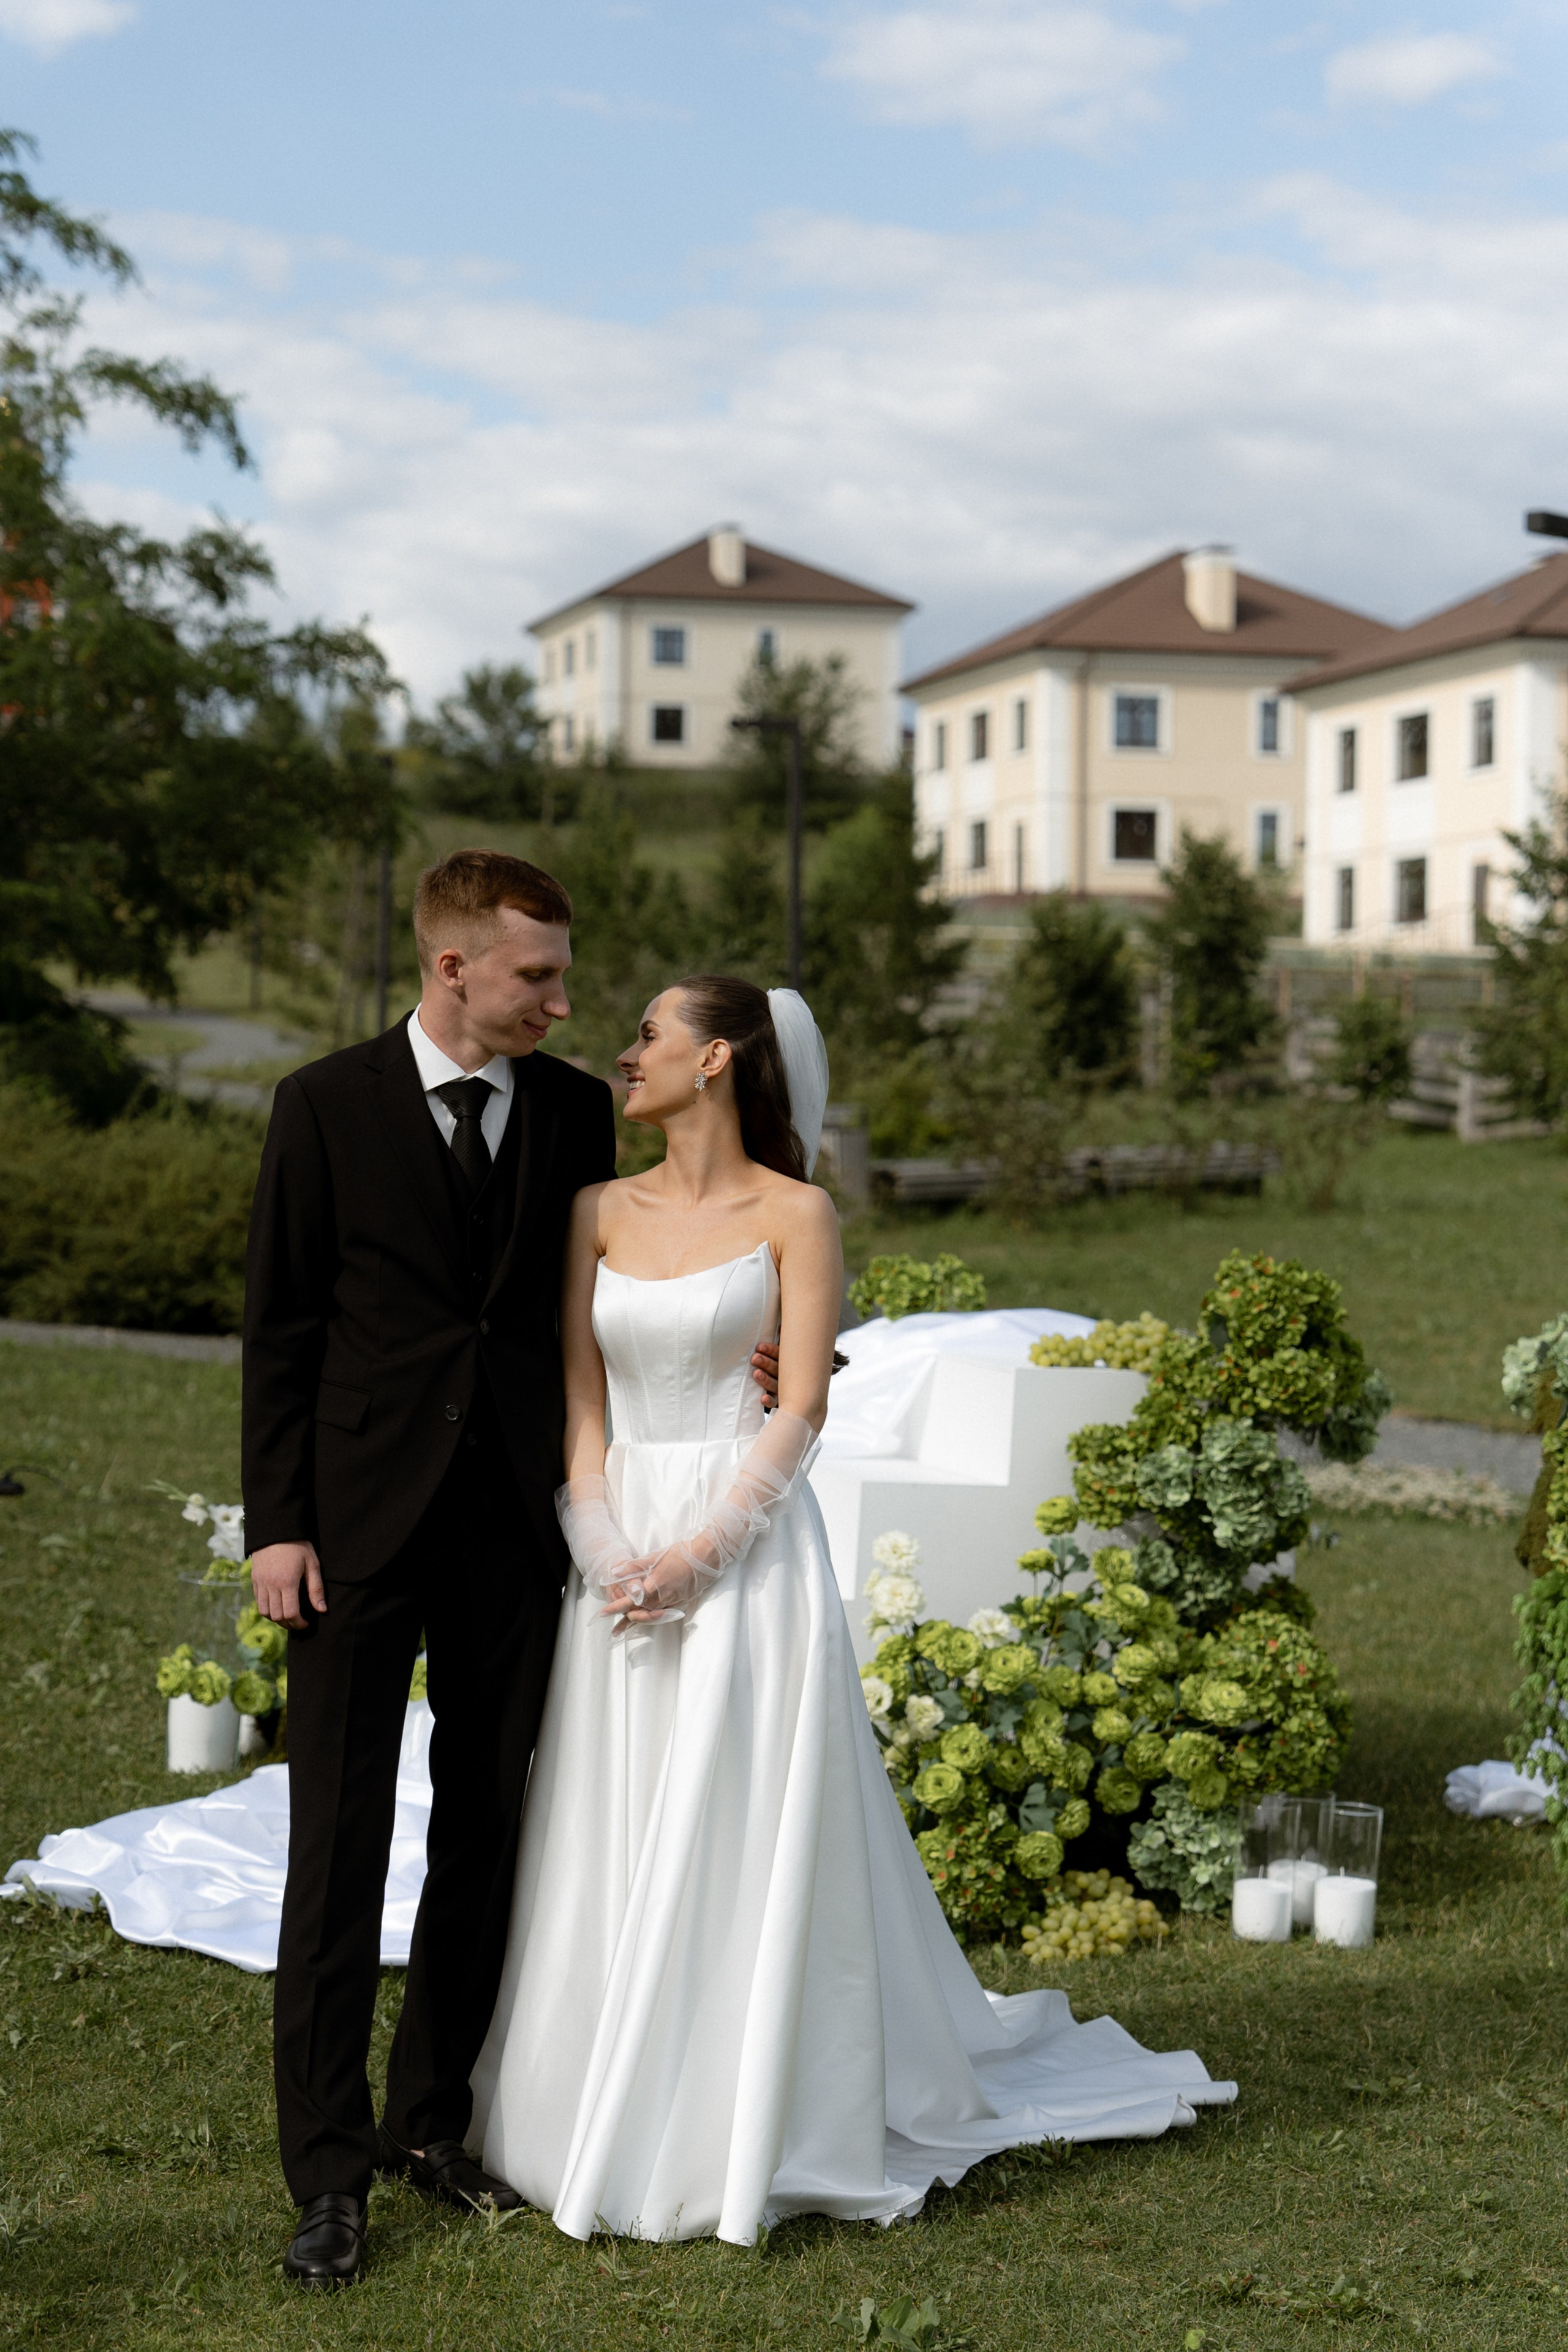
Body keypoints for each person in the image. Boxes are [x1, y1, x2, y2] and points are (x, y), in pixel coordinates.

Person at [470, 976, 1234, 2244]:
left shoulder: (797, 1214)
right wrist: (606, 1547)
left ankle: (748, 2108)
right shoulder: (593, 1212)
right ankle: (584, 2100)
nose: (626, 1050)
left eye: (650, 1033)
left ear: (714, 1059)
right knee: (613, 1813)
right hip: (612, 1554)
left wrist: (699, 1556)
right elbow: (583, 1409)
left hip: (743, 1553)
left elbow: (800, 1405)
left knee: (740, 1818)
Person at [241, 852, 777, 2285]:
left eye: (562, 971)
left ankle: (431, 2123)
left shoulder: (563, 1115)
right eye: (536, 974)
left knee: (487, 1827)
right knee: (336, 1852)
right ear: (452, 968)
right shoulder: (321, 1107)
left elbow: (649, 1265)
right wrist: (275, 1523)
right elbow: (282, 1329)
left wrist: (775, 1342)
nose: (561, 999)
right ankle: (328, 2175)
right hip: (350, 1532)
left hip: (512, 1528)